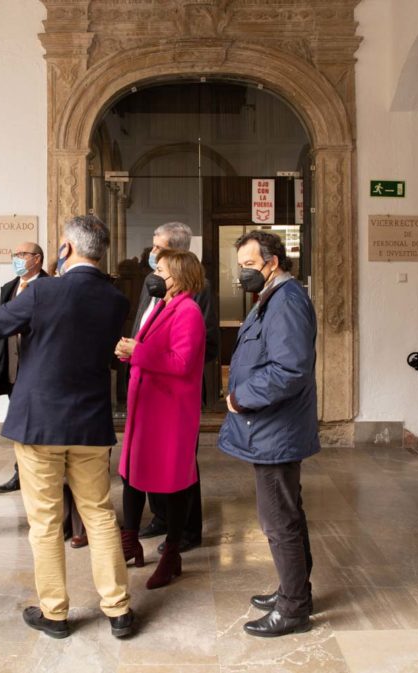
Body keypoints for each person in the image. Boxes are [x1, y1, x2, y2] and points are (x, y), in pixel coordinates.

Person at [0, 214, 135, 640]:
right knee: (101, 516)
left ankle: (55, 613)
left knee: (46, 521)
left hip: (40, 424)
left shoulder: (43, 291)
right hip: (89, 424)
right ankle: (118, 609)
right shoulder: (115, 299)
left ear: (65, 248)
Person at [219, 230, 319, 638]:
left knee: (278, 521)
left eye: (248, 265)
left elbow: (290, 369)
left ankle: (293, 609)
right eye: (240, 266)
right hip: (271, 428)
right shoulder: (273, 298)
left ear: (272, 262)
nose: (243, 273)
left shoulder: (287, 301)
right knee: (286, 514)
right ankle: (294, 591)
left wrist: (241, 398)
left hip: (274, 428)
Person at [115, 250, 206, 589]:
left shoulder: (189, 311)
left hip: (170, 412)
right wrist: (130, 349)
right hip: (147, 406)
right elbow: (150, 347)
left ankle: (171, 554)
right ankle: (130, 541)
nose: (156, 272)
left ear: (180, 275)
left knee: (174, 481)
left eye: (163, 268)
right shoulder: (165, 305)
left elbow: (181, 362)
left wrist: (136, 352)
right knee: (132, 474)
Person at [127, 222, 218, 553]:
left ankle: (188, 530)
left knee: (180, 464)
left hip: (175, 388)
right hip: (149, 380)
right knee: (151, 460)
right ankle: (162, 518)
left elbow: (204, 341)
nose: (152, 254)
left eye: (159, 249)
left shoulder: (197, 290)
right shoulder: (154, 285)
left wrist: (148, 354)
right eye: (153, 247)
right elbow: (143, 323)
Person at [0, 241, 48, 495]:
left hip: (39, 370)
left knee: (38, 425)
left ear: (37, 259)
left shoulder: (49, 286)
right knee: (18, 424)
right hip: (15, 369)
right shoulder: (9, 288)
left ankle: (40, 473)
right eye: (14, 253)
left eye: (22, 254)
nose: (16, 258)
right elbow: (1, 330)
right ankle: (20, 473)